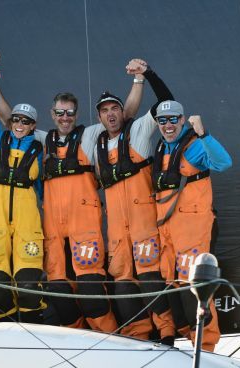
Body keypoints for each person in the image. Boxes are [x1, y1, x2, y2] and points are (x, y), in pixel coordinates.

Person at [0, 60, 146, 332]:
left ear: (76, 115)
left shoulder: (89, 135)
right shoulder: (41, 138)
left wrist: (138, 80)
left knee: (91, 293)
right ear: (52, 114)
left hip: (84, 225)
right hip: (53, 227)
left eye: (70, 113)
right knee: (58, 290)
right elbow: (9, 118)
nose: (65, 118)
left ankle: (109, 338)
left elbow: (124, 115)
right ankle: (78, 338)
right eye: (60, 113)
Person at [94, 60, 175, 344]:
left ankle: (166, 330)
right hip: (116, 229)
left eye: (114, 108)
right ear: (100, 118)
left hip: (143, 220)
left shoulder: (139, 130)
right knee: (123, 283)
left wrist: (146, 75)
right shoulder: (97, 143)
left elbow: (166, 103)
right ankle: (136, 336)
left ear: (123, 112)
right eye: (104, 111)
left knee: (151, 274)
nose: (110, 114)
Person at [152, 100, 232, 351]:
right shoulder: (160, 150)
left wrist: (204, 134)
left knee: (196, 284)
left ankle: (205, 346)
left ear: (183, 120)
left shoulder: (195, 146)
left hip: (193, 227)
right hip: (167, 230)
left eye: (173, 119)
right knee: (172, 283)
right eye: (162, 120)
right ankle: (187, 336)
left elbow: (223, 163)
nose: (168, 125)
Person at [0, 51, 46, 323]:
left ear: (33, 126)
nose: (19, 124)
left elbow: (44, 189)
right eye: (16, 119)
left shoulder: (42, 149)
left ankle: (34, 334)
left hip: (28, 222)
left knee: (29, 285)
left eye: (26, 121)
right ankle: (4, 332)